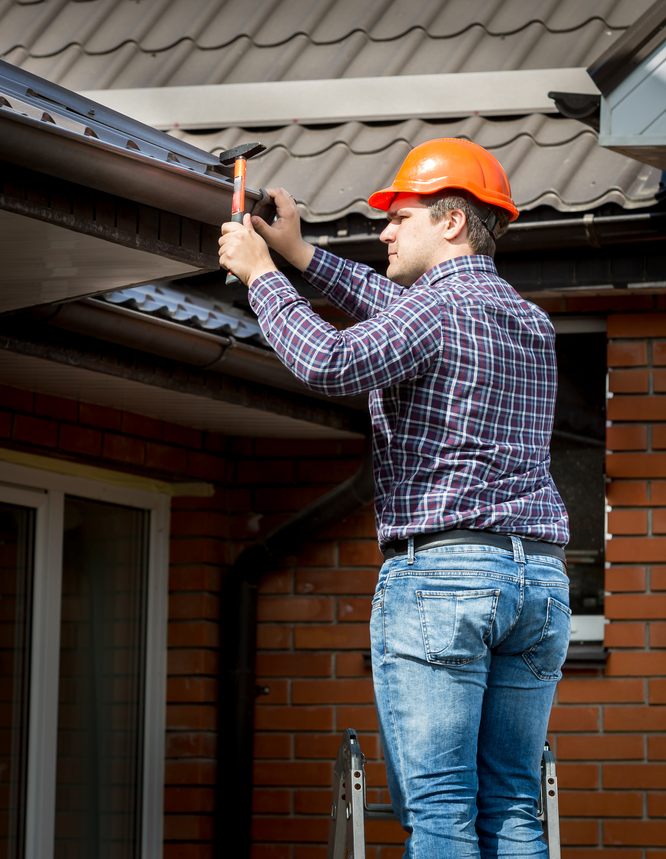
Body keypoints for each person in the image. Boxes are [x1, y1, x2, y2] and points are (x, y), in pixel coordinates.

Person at [219, 138, 571, 859]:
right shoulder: (529, 322)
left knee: (441, 808)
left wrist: (262, 277)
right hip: (538, 581)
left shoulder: (437, 314)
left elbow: (329, 358)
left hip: (444, 579)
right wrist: (301, 255)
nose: (384, 229)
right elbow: (399, 307)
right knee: (510, 801)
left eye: (399, 216)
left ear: (451, 222)